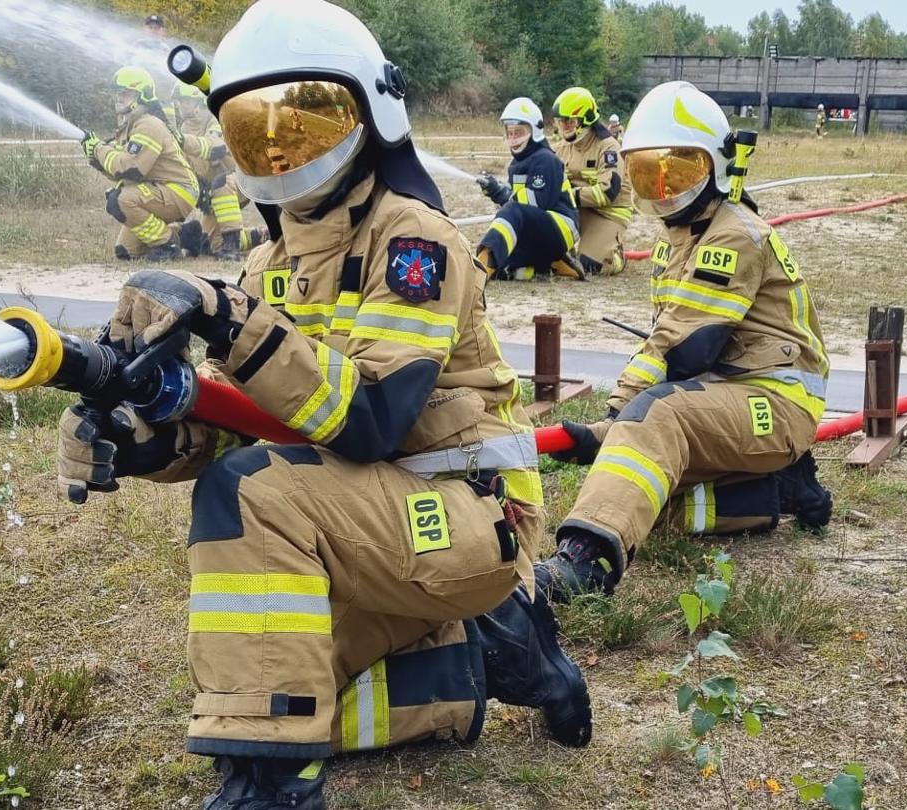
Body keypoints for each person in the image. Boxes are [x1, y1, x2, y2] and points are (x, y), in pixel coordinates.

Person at [64, 2, 592, 806]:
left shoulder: (412, 239)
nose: (279, 148)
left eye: (306, 121)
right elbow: (237, 420)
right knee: (258, 682)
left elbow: (374, 420)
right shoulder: (268, 262)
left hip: (467, 512)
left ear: (372, 110)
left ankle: (273, 785)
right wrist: (138, 433)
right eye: (253, 130)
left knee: (250, 508)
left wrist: (225, 321)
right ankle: (486, 658)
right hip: (363, 525)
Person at [536, 80, 832, 604]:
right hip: (728, 393)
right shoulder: (678, 239)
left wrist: (614, 420)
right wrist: (616, 433)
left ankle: (585, 562)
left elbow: (682, 349)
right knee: (645, 499)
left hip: (774, 400)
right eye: (648, 173)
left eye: (680, 170)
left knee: (658, 417)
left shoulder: (733, 235)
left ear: (716, 164)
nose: (665, 187)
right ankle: (780, 491)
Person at [82, 66, 202, 261]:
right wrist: (97, 161)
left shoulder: (149, 125)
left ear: (143, 96)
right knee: (126, 252)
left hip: (179, 191)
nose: (119, 98)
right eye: (117, 94)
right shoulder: (130, 126)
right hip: (160, 189)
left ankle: (168, 244)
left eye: (125, 93)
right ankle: (185, 234)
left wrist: (98, 149)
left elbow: (131, 168)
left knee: (120, 199)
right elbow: (120, 172)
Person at [475, 97, 581, 281]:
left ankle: (484, 261)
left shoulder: (546, 160)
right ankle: (552, 265)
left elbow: (537, 202)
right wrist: (495, 192)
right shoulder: (516, 164)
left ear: (535, 131)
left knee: (497, 249)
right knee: (503, 263)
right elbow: (520, 206)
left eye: (519, 132)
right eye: (510, 133)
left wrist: (502, 194)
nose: (514, 138)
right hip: (536, 231)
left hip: (561, 227)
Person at [552, 87, 636, 277]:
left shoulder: (608, 148)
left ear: (585, 120)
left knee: (589, 266)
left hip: (608, 213)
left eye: (569, 122)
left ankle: (615, 255)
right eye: (560, 121)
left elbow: (608, 192)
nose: (564, 127)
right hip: (575, 209)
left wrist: (568, 195)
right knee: (547, 256)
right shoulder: (561, 148)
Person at [172, 82, 261, 260]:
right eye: (179, 101)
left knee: (222, 182)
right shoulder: (184, 128)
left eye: (186, 101)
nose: (181, 105)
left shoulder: (215, 118)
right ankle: (259, 236)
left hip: (240, 179)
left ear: (198, 103)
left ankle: (232, 246)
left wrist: (183, 141)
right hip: (215, 190)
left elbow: (216, 147)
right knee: (209, 245)